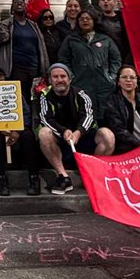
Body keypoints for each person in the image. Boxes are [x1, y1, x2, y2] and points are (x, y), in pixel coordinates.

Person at [37, 63, 112, 194]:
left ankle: (91, 176)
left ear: (70, 79)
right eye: (55, 77)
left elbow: (89, 116)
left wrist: (78, 133)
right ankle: (63, 177)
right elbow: (46, 119)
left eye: (63, 76)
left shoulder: (81, 94)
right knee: (43, 133)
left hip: (82, 137)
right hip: (60, 139)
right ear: (50, 80)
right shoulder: (44, 96)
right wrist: (63, 131)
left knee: (107, 135)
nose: (59, 80)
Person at [0, 64, 43, 196]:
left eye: (0, 76)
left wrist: (18, 131)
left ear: (5, 78)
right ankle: (1, 178)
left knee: (28, 136)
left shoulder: (16, 93)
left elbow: (25, 114)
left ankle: (34, 178)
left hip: (17, 128)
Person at [57, 10, 122, 108]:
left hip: (104, 84)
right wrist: (72, 77)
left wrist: (112, 77)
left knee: (106, 113)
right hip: (80, 83)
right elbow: (63, 60)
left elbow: (116, 60)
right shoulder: (71, 39)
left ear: (94, 21)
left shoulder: (105, 39)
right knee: (85, 110)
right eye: (81, 19)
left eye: (88, 18)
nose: (85, 21)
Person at [101, 66, 140, 154]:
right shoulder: (112, 103)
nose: (128, 80)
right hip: (125, 148)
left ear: (136, 81)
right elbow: (119, 131)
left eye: (132, 77)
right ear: (118, 82)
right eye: (124, 77)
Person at [71, 0, 131, 64]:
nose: (106, 1)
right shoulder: (98, 18)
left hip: (125, 57)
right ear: (99, 3)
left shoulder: (124, 18)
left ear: (115, 2)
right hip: (105, 59)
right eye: (103, 0)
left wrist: (126, 9)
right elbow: (85, 3)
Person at [3, 0, 48, 96]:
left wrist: (44, 68)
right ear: (12, 8)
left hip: (34, 67)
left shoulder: (34, 25)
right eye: (16, 2)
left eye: (22, 2)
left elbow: (42, 47)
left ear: (25, 6)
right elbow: (1, 39)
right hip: (16, 68)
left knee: (34, 97)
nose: (19, 4)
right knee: (19, 97)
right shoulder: (7, 24)